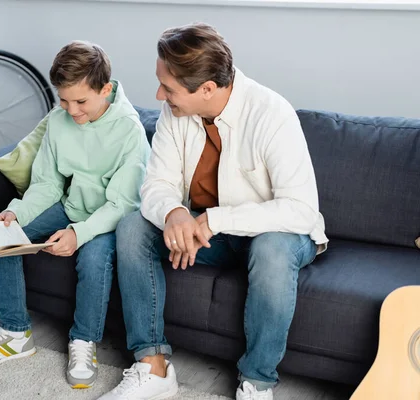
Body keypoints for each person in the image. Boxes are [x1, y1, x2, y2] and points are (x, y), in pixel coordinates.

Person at [100, 23, 328, 400]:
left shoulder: (272, 114)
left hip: (277, 235)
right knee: (131, 228)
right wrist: (175, 212)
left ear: (207, 88)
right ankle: (153, 367)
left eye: (168, 88)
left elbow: (300, 210)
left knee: (271, 250)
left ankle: (256, 382)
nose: (159, 94)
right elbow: (156, 184)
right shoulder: (173, 113)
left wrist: (215, 220)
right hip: (209, 235)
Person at [0, 40, 150, 390]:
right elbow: (48, 183)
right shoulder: (59, 120)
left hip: (108, 220)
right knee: (2, 236)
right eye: (63, 99)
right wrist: (16, 213)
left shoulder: (130, 130)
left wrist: (79, 234)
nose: (71, 110)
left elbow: (123, 204)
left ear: (105, 89)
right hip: (70, 206)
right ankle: (15, 333)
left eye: (80, 101)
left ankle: (83, 341)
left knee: (93, 261)